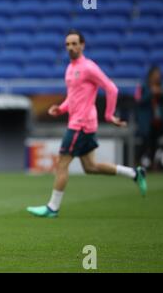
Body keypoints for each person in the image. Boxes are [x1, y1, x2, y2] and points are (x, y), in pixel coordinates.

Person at [27, 29, 147, 218]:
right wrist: (61, 108)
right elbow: (74, 97)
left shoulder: (89, 67)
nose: (71, 48)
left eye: (74, 44)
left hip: (80, 124)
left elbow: (111, 89)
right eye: (67, 44)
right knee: (91, 167)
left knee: (61, 163)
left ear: (82, 45)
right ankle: (134, 173)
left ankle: (53, 208)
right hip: (81, 122)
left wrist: (109, 115)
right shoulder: (70, 68)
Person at [134, 66, 163, 170]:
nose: (157, 77)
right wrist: (151, 92)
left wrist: (160, 93)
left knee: (155, 144)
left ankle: (153, 164)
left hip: (158, 122)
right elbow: (139, 100)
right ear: (150, 76)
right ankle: (137, 161)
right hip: (146, 122)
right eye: (155, 75)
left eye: (158, 75)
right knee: (145, 142)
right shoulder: (143, 87)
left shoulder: (162, 87)